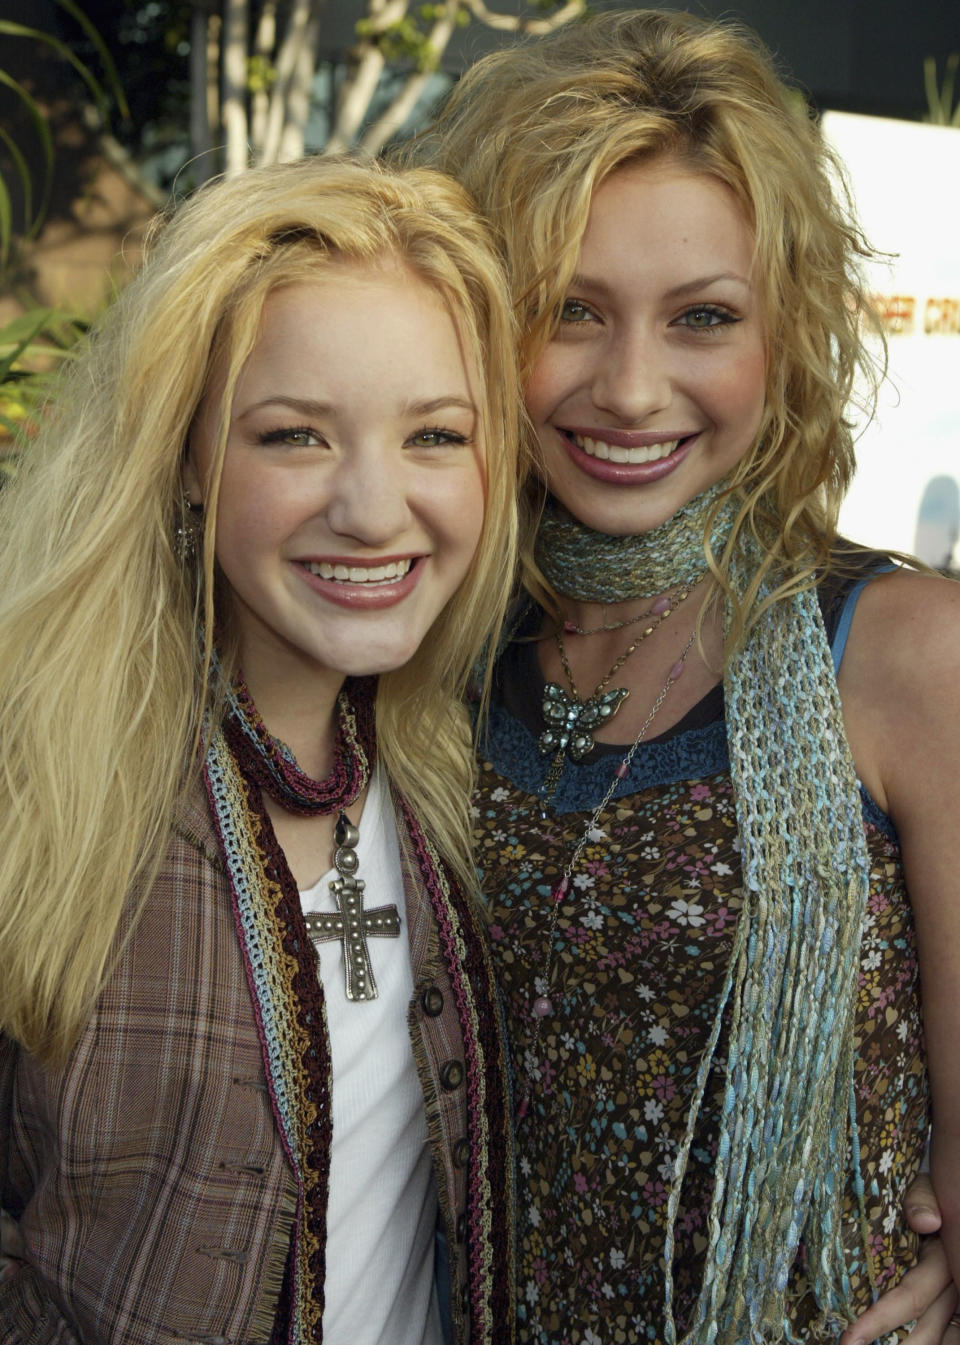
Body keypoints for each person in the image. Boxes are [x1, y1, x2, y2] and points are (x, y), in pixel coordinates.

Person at [404, 10, 960, 1342]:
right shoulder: (423, 655)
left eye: (703, 317)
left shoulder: (903, 655)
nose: (632, 387)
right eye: (569, 312)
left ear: (785, 338)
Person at [0, 158, 521, 1344]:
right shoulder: (32, 778)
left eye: (437, 434)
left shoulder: (481, 767)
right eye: (295, 437)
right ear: (186, 456)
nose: (375, 508)